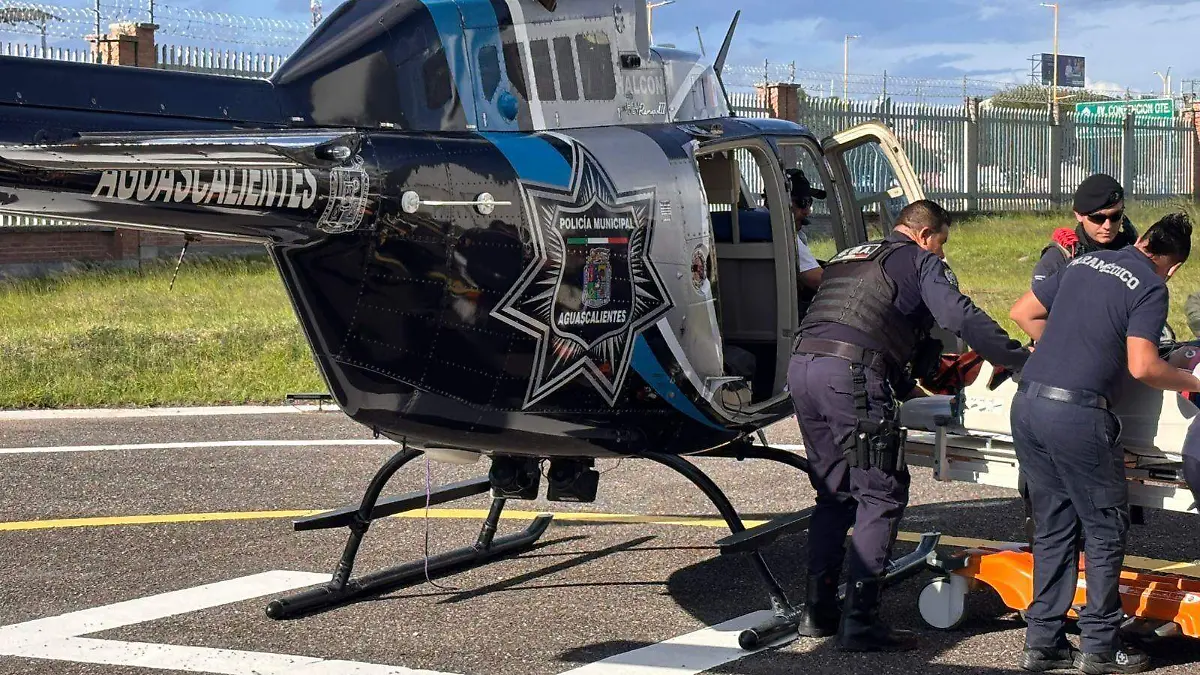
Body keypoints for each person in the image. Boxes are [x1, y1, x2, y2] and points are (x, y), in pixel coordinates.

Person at [788, 199, 1032, 652]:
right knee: (881, 492)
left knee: (835, 493)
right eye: (941, 244)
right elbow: (959, 316)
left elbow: (867, 322)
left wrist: (902, 379)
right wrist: (1015, 357)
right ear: (924, 235)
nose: (941, 254)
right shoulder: (920, 261)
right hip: (850, 377)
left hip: (803, 368)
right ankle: (861, 622)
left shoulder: (850, 256)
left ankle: (817, 611)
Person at [1008, 213, 1199, 674]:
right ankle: (1099, 645)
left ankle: (1045, 642)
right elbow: (1143, 367)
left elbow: (1023, 312)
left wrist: (1072, 351)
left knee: (1054, 526)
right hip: (1076, 415)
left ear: (1144, 238)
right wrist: (1191, 380)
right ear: (1171, 265)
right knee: (1104, 528)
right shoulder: (1152, 287)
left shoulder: (1084, 264)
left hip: (1028, 403)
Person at [1032, 173, 1138, 285]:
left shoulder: (1133, 251)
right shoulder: (1062, 256)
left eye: (1115, 216)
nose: (1107, 226)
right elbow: (1038, 299)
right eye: (1098, 218)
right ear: (1079, 215)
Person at [786, 168, 825, 292]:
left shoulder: (759, 222)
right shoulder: (781, 233)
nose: (807, 211)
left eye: (810, 202)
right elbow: (818, 280)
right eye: (803, 202)